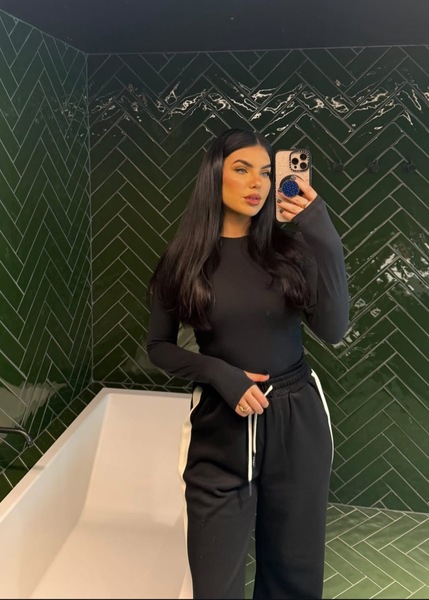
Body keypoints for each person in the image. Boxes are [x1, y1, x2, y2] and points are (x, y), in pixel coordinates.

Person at [146, 128, 349, 600]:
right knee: (215, 584)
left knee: (293, 577)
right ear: (214, 175)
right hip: (221, 423)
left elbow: (334, 329)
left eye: (265, 172)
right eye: (242, 169)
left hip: (296, 419)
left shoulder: (292, 252)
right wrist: (220, 374)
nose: (257, 182)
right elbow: (159, 347)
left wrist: (321, 230)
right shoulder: (183, 260)